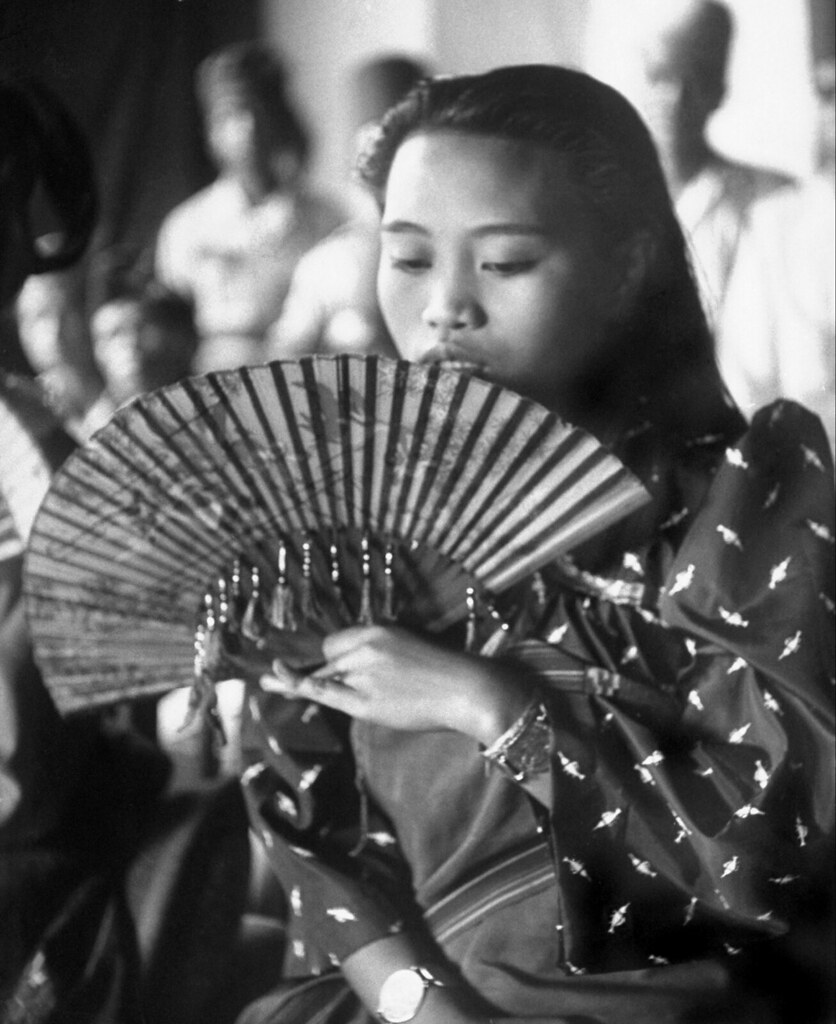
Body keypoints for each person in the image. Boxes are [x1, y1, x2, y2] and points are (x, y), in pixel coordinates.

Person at [223, 66, 835, 1024]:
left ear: (628, 265)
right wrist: (426, 1006)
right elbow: (310, 834)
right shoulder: (336, 521)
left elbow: (764, 853)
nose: (445, 308)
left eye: (504, 263)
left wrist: (489, 704)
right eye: (410, 258)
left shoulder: (744, 491)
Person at [155, 42, 347, 373]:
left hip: (303, 381)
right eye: (231, 115)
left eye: (259, 112)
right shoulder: (186, 226)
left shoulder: (325, 218)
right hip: (213, 380)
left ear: (281, 120)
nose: (248, 129)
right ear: (211, 131)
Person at [267, 55, 428, 360]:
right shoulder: (328, 262)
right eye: (371, 149)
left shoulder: (450, 256)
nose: (386, 169)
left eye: (400, 150)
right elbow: (284, 356)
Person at [90, 280, 199, 409]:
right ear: (97, 351)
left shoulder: (216, 404)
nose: (131, 343)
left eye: (142, 329)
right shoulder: (97, 424)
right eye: (114, 334)